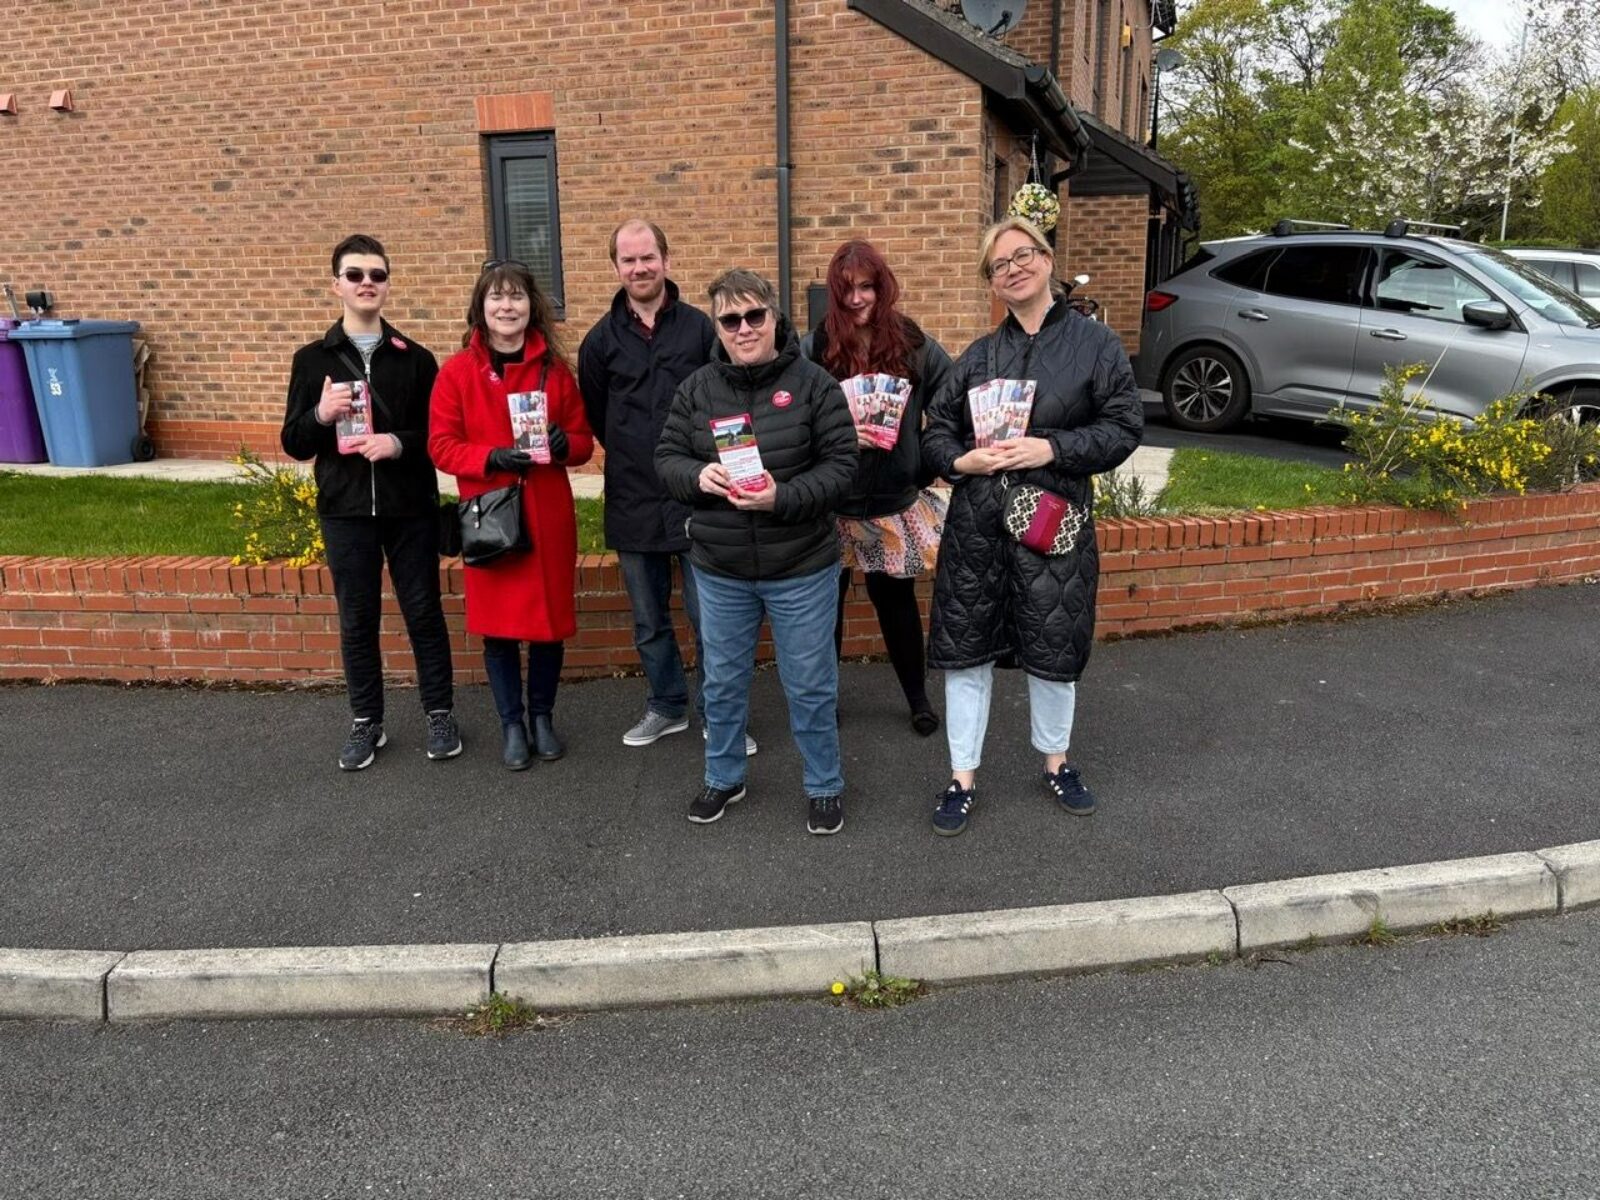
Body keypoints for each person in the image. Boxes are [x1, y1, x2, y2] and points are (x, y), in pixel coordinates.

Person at [921, 217, 1143, 836]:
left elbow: (1124, 427)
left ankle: (1056, 762)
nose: (1013, 269)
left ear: (1046, 259)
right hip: (978, 526)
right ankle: (961, 777)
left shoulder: (1095, 345)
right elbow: (936, 433)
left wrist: (1052, 448)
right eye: (999, 265)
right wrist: (961, 461)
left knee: (1053, 647)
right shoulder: (977, 357)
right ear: (990, 282)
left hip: (1052, 519)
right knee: (967, 653)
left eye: (1022, 256)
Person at [655, 269, 858, 834]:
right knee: (721, 684)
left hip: (801, 566)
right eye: (730, 319)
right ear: (717, 327)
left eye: (754, 315)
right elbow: (667, 458)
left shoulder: (815, 384)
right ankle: (724, 777)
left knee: (810, 685)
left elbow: (843, 467)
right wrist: (698, 476)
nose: (743, 328)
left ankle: (824, 784)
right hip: (721, 568)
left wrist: (781, 497)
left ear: (774, 316)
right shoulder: (697, 389)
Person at [281, 233, 459, 772]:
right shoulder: (312, 360)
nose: (366, 283)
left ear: (387, 284)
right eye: (355, 274)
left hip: (410, 508)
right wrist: (320, 415)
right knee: (357, 619)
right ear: (336, 284)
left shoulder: (416, 359)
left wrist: (398, 443)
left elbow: (439, 436)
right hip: (346, 510)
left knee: (423, 612)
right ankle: (366, 721)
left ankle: (440, 713)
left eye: (377, 275)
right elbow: (294, 443)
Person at [577, 219, 755, 757]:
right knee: (649, 619)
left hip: (699, 495)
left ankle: (719, 716)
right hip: (633, 497)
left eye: (647, 257)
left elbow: (726, 400)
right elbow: (599, 417)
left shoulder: (701, 329)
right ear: (616, 268)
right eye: (629, 260)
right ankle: (667, 704)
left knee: (712, 619)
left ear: (666, 260)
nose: (640, 268)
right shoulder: (599, 342)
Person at [428, 260, 595, 771]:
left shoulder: (555, 372)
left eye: (516, 296)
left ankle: (542, 716)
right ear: (481, 308)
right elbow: (440, 445)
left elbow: (584, 443)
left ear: (531, 306)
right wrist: (491, 457)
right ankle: (512, 724)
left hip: (545, 515)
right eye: (497, 297)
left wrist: (566, 444)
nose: (507, 306)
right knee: (498, 630)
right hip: (492, 516)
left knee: (548, 626)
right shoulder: (457, 373)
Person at [805, 240, 951, 737]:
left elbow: (951, 404)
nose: (856, 299)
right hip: (833, 502)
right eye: (846, 289)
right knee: (826, 609)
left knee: (897, 604)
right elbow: (795, 416)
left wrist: (922, 461)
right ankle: (826, 701)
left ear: (882, 287)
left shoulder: (914, 344)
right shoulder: (815, 347)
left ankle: (918, 698)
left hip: (892, 499)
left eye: (866, 287)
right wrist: (838, 437)